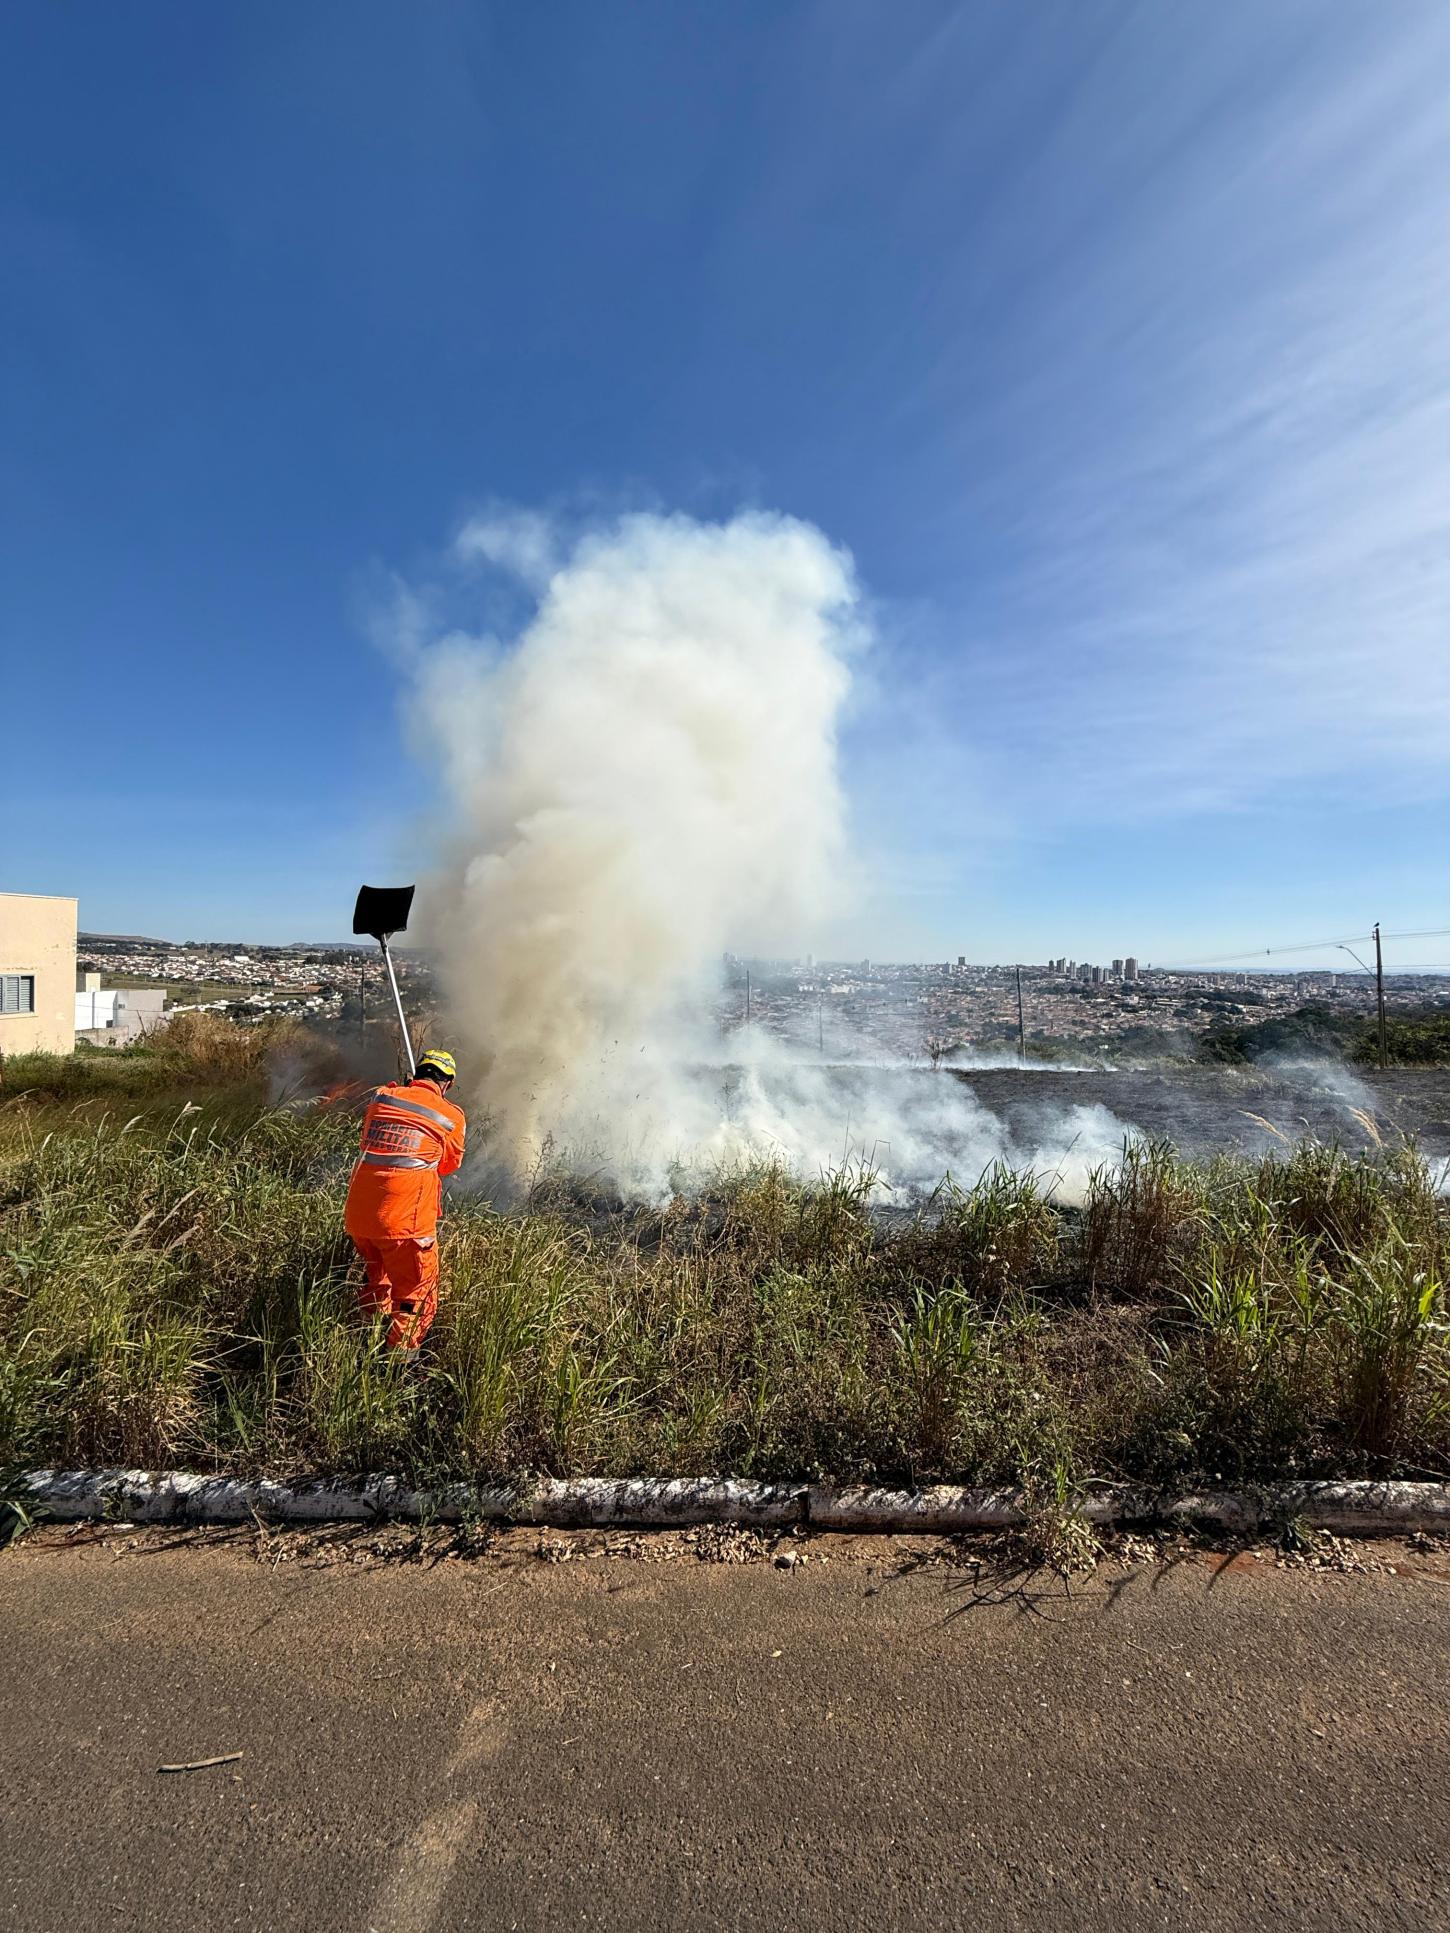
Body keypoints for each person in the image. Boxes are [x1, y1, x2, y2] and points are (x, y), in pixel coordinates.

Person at [344, 1048, 466, 1359]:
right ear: (448, 1083)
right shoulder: (451, 1116)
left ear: (416, 1074)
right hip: (405, 1224)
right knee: (415, 1293)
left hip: (360, 1217)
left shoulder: (383, 1096)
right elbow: (448, 1165)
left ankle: (363, 1339)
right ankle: (398, 1366)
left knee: (376, 1279)